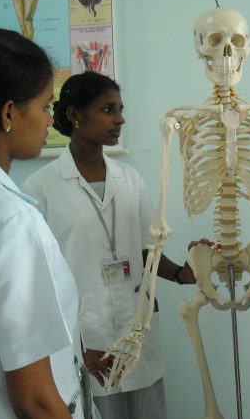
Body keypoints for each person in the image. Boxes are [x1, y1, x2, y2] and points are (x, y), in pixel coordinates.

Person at [21, 71, 202, 419]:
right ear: (75, 115)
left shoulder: (129, 179)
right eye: (108, 109)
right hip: (86, 342)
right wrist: (76, 347)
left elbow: (147, 250)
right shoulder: (40, 188)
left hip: (137, 333)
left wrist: (182, 273)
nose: (120, 118)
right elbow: (39, 280)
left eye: (120, 109)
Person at [0, 28, 86, 418]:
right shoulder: (10, 223)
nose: (49, 120)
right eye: (44, 107)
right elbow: (35, 401)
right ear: (9, 113)